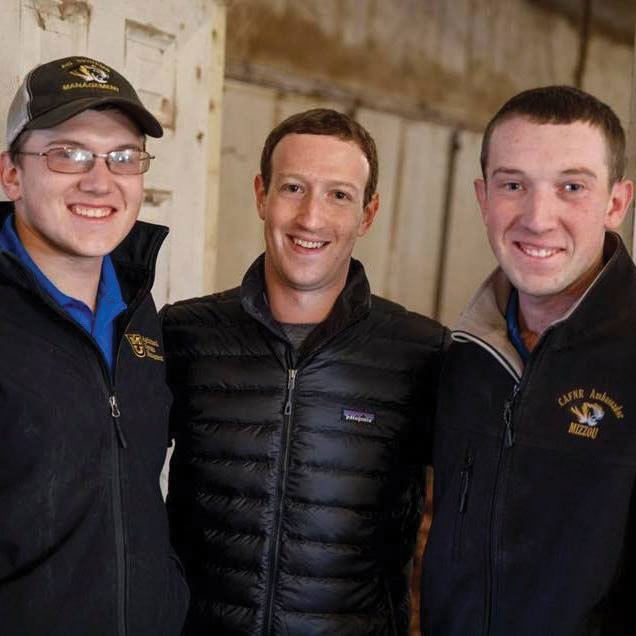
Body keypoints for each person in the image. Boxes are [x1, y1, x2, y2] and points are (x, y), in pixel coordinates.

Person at [162, 108, 446, 635]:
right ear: (260, 195)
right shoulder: (185, 335)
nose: (311, 218)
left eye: (339, 194)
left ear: (367, 213)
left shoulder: (420, 353)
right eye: (293, 187)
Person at [420, 86, 635, 635]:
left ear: (616, 202)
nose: (539, 218)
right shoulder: (463, 357)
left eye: (571, 187)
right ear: (484, 197)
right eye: (514, 184)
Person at [0, 56, 188, 635]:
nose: (99, 180)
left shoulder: (140, 318)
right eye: (68, 153)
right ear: (10, 174)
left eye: (123, 157)